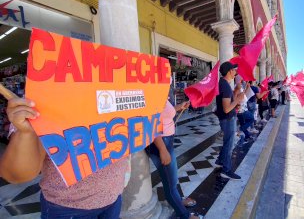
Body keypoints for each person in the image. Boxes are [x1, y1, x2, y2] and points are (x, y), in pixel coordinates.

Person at [0, 98, 130, 218]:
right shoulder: (42, 96)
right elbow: (16, 174)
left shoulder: (120, 89)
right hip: (67, 207)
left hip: (114, 196)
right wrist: (26, 132)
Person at [145, 91, 202, 219]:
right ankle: (184, 215)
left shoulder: (162, 92)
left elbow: (164, 113)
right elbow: (150, 123)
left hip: (167, 141)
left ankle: (178, 200)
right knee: (170, 184)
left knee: (172, 178)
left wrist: (180, 106)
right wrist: (162, 149)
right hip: (160, 143)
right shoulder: (152, 94)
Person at [214, 62, 244, 180]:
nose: (235, 72)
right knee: (229, 144)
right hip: (227, 119)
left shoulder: (223, 83)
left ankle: (220, 161)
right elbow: (226, 109)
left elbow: (227, 102)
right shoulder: (225, 85)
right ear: (229, 71)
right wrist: (237, 100)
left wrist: (236, 93)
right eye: (234, 70)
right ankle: (226, 170)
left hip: (226, 118)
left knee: (227, 142)